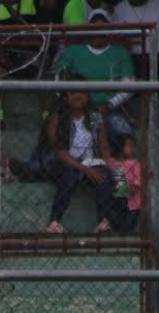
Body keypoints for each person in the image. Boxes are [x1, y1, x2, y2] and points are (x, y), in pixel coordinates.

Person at [53, 10, 135, 140]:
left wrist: (109, 105)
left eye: (103, 28)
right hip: (76, 110)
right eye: (95, 28)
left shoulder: (120, 52)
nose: (99, 33)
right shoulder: (72, 51)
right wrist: (73, 102)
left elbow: (129, 85)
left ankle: (116, 160)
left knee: (123, 133)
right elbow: (57, 79)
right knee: (58, 133)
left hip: (109, 110)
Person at [43, 88, 113, 234]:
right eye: (73, 92)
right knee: (70, 175)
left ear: (87, 96)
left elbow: (103, 146)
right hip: (62, 162)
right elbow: (58, 151)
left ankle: (103, 222)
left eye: (82, 92)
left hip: (89, 162)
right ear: (66, 96)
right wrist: (84, 169)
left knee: (106, 177)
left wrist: (111, 165)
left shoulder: (94, 117)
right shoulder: (58, 116)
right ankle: (54, 223)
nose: (78, 96)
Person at [98, 132, 142, 234]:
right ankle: (107, 224)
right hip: (117, 201)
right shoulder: (113, 162)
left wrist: (127, 188)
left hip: (133, 205)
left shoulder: (135, 164)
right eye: (130, 146)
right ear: (119, 147)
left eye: (133, 147)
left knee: (128, 227)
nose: (133, 150)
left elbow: (137, 183)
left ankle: (123, 229)